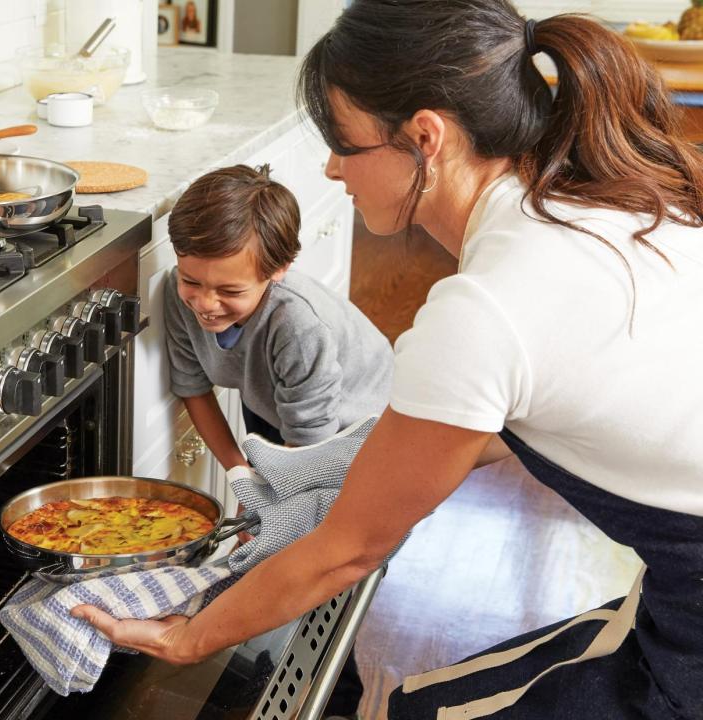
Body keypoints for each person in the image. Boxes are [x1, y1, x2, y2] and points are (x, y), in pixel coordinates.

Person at [73, 1, 703, 718]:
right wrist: (343, 463)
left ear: (425, 137)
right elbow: (512, 425)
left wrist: (187, 640)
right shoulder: (588, 200)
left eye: (344, 143)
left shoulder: (488, 307)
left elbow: (349, 548)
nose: (333, 169)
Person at [162, 164, 394, 718]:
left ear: (279, 272)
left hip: (351, 435)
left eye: (229, 290)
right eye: (192, 280)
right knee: (269, 549)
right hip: (278, 410)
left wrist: (275, 525)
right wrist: (242, 477)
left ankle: (337, 701)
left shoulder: (298, 325)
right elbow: (194, 388)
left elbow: (309, 464)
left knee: (324, 574)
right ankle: (263, 657)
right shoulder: (180, 296)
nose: (205, 303)